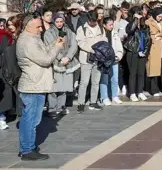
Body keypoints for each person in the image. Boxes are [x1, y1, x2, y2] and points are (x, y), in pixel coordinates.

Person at [16, 14, 65, 160]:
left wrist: (53, 44)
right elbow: (45, 59)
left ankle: (27, 146)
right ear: (27, 26)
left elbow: (43, 52)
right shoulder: (27, 41)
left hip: (36, 84)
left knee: (32, 119)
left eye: (41, 26)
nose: (41, 29)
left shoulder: (33, 39)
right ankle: (27, 150)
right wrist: (56, 47)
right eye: (38, 27)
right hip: (32, 85)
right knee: (30, 119)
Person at [43, 13, 79, 116]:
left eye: (61, 21)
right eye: (57, 22)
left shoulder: (69, 32)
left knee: (64, 87)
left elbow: (74, 45)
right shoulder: (49, 33)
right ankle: (52, 108)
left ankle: (61, 106)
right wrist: (60, 57)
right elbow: (49, 47)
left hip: (68, 61)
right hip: (55, 61)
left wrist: (68, 57)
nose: (59, 24)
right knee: (54, 87)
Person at [76, 10, 106, 112]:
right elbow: (81, 43)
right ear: (88, 19)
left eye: (94, 21)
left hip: (98, 59)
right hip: (86, 58)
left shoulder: (101, 28)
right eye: (91, 21)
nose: (92, 23)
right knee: (84, 82)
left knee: (95, 82)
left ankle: (93, 102)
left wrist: (102, 49)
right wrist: (93, 49)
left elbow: (104, 39)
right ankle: (81, 102)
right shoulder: (82, 29)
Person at [98, 17, 124, 105]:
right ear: (104, 25)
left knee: (114, 79)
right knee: (104, 79)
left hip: (114, 59)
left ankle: (114, 96)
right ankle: (104, 97)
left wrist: (119, 56)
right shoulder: (101, 34)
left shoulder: (115, 33)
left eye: (112, 24)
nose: (112, 26)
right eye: (110, 25)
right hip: (104, 60)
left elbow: (120, 47)